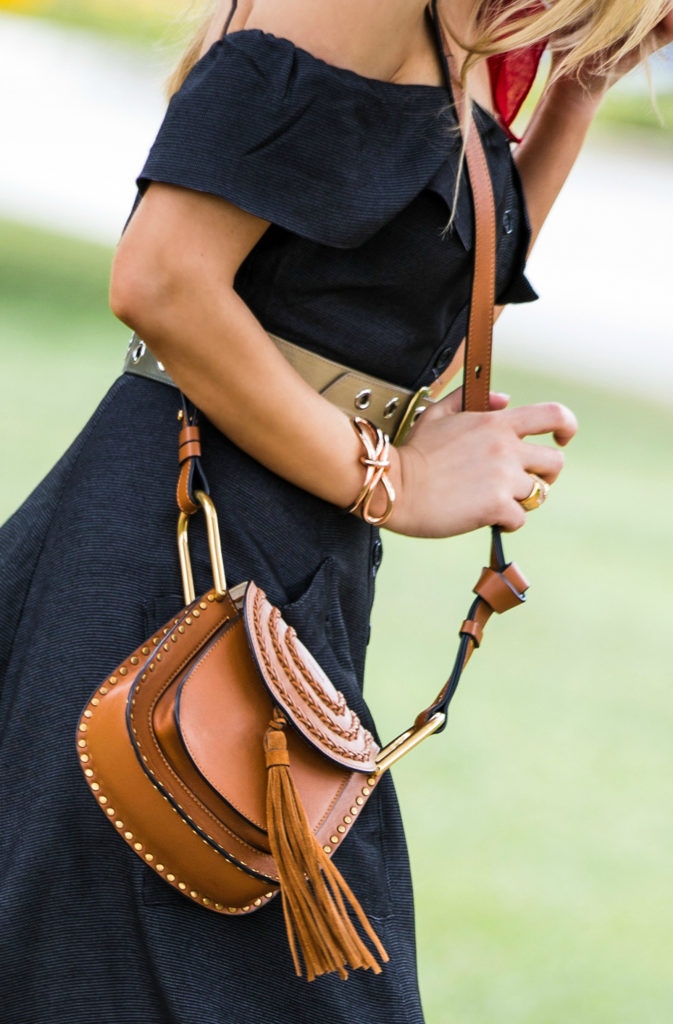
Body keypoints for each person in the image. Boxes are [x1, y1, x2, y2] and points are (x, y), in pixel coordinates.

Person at [1, 0, 671, 1021]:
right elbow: (162, 277)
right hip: (172, 563)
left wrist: (577, 85)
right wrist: (390, 480)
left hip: (280, 561)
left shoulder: (472, 34)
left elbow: (411, 319)